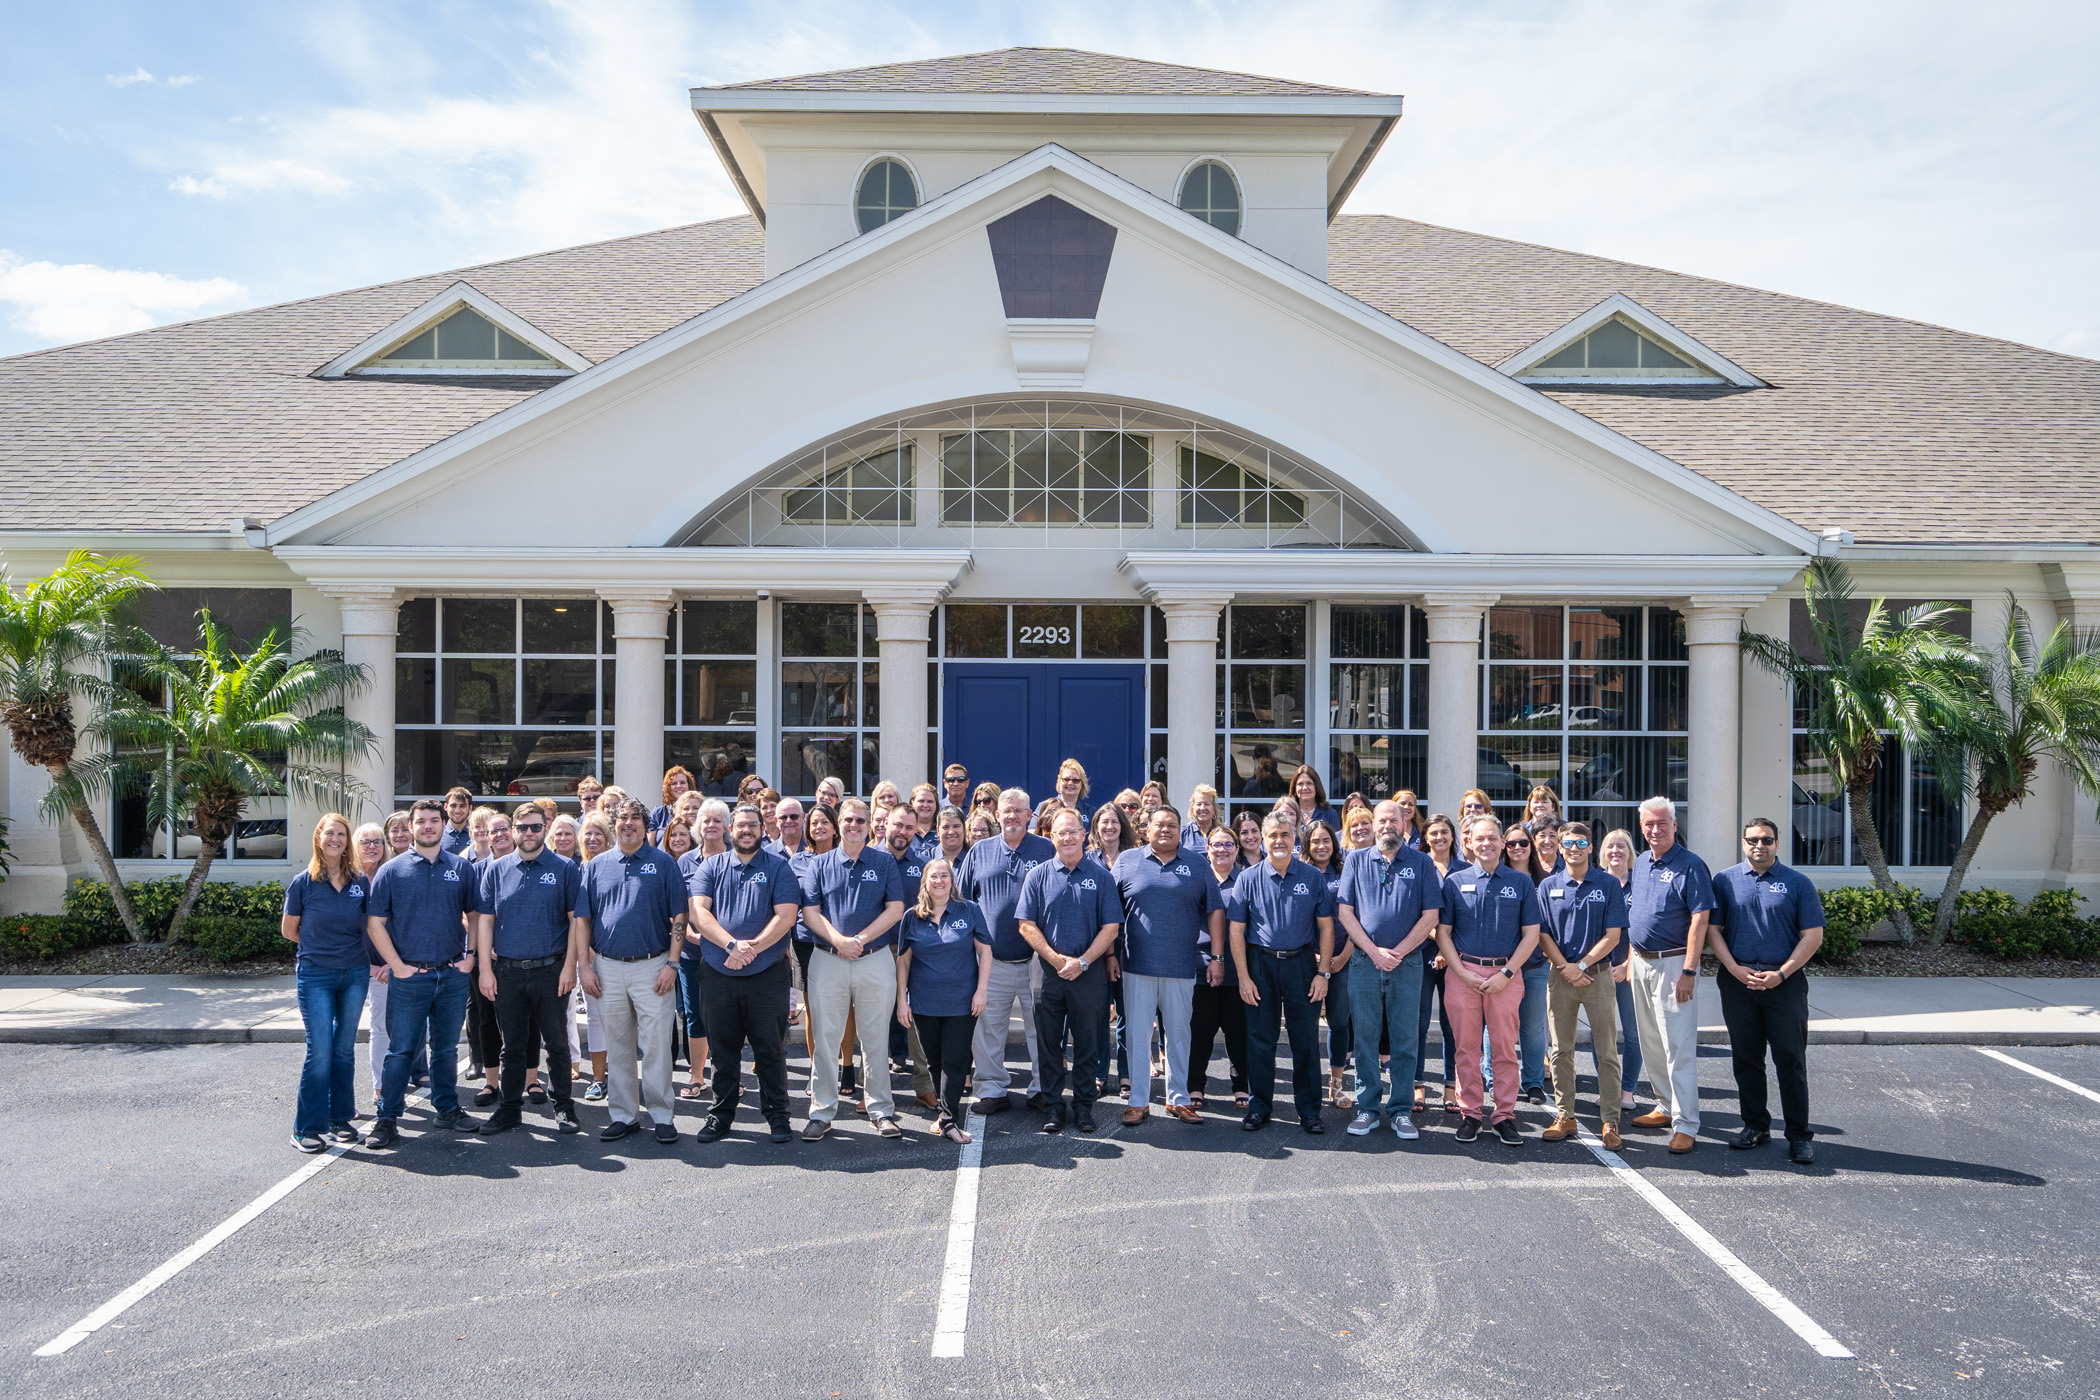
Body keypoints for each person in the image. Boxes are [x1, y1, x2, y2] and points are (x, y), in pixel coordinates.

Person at [363, 799, 483, 1146]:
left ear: (445, 824)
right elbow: (375, 924)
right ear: (410, 827)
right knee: (400, 1050)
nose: (428, 826)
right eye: (421, 821)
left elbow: (474, 915)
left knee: (445, 1049)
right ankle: (387, 1118)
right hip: (409, 976)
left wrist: (470, 957)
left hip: (450, 974)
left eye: (434, 820)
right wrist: (397, 966)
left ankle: (446, 1109)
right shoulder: (393, 870)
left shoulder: (461, 868)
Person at [1710, 819, 1824, 1165]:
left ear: (1777, 844)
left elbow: (1812, 935)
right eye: (1753, 840)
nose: (1759, 845)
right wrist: (1734, 969)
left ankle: (1799, 1136)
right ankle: (1755, 1126)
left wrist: (1782, 973)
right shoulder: (1725, 881)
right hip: (1738, 981)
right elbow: (1713, 930)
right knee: (1746, 1059)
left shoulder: (1798, 883)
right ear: (1743, 843)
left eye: (1767, 840)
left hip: (1783, 985)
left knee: (1790, 1061)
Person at [687, 803, 801, 1145]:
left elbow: (786, 916)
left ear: (762, 829)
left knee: (769, 1050)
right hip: (719, 974)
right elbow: (699, 914)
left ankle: (778, 1117)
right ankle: (720, 1115)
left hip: (767, 974)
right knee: (723, 1051)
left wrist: (752, 949)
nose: (747, 830)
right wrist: (731, 946)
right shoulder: (711, 867)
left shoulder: (779, 868)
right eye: (741, 825)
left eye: (753, 824)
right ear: (729, 830)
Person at [576, 800, 687, 1146]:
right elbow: (583, 920)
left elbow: (680, 918)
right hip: (607, 968)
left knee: (655, 1047)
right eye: (622, 818)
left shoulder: (664, 863)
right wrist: (584, 967)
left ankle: (662, 1115)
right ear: (614, 825)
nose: (628, 824)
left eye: (635, 819)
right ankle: (624, 1114)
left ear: (644, 825)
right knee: (619, 1045)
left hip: (654, 966)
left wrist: (672, 963)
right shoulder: (596, 867)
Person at [473, 801, 585, 1136]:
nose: (529, 833)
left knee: (557, 1043)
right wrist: (484, 970)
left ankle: (564, 1107)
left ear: (545, 829)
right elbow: (485, 922)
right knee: (513, 1046)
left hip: (551, 971)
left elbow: (575, 923)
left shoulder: (565, 869)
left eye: (536, 827)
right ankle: (510, 1109)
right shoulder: (497, 869)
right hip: (506, 972)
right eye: (522, 828)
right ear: (512, 831)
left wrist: (570, 968)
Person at [800, 797, 909, 1140]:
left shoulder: (885, 862)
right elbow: (810, 912)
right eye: (848, 820)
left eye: (861, 821)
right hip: (828, 958)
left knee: (875, 1039)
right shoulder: (820, 864)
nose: (854, 826)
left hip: (874, 959)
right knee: (826, 1038)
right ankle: (821, 1112)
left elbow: (895, 910)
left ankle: (881, 1109)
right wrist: (839, 941)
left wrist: (859, 939)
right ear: (837, 824)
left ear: (869, 825)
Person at [1337, 799, 1443, 1140]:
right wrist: (1373, 951)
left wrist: (1396, 952)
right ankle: (1367, 1108)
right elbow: (1345, 913)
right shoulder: (1356, 860)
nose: (1386, 827)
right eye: (1381, 821)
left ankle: (1400, 1110)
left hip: (1407, 963)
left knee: (1405, 1039)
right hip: (1365, 964)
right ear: (1374, 823)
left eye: (1392, 821)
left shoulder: (1422, 862)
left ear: (1403, 824)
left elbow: (1431, 916)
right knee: (1365, 1038)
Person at [1112, 805, 1224, 1126]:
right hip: (1136, 966)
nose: (1165, 830)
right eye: (1158, 825)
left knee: (1178, 1034)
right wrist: (1109, 956)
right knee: (1137, 1035)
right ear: (1146, 830)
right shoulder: (1127, 861)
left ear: (1180, 830)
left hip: (1181, 967)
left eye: (1172, 825)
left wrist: (1217, 958)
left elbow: (1215, 911)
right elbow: (1109, 910)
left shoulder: (1198, 864)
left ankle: (1179, 1099)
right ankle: (1138, 1102)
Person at [1436, 814, 1542, 1147]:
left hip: (1505, 976)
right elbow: (1443, 933)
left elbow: (1532, 935)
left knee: (1505, 1050)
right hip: (1462, 974)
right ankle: (1471, 1113)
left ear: (1501, 842)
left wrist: (1507, 973)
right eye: (1479, 838)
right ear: (1468, 842)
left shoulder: (1521, 883)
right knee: (1466, 1049)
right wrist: (1462, 972)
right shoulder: (1455, 881)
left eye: (1492, 838)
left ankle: (1504, 1115)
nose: (1486, 844)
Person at [1228, 812, 1336, 1134]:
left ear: (1295, 839)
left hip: (1302, 965)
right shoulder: (1247, 879)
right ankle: (1259, 1108)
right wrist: (1244, 977)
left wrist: (1323, 973)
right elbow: (1236, 931)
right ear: (1262, 838)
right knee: (1261, 1040)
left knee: (1305, 1041)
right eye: (1272, 835)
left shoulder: (1312, 877)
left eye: (1285, 835)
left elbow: (1326, 928)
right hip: (1260, 966)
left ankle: (1309, 1111)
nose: (1279, 841)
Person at [1017, 807, 1122, 1134]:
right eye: (1060, 832)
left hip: (1087, 975)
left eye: (1072, 831)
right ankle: (1053, 1107)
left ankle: (1083, 1107)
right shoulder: (1038, 876)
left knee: (1088, 1043)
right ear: (1052, 837)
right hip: (1047, 974)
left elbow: (1111, 927)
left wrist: (1083, 962)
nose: (1066, 837)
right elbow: (1026, 925)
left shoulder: (1101, 877)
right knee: (1049, 1045)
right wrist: (1055, 958)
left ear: (1083, 834)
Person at [957, 788, 1056, 1115]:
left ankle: (1042, 1088)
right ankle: (992, 1089)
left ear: (1030, 816)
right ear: (997, 815)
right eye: (1006, 811)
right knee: (987, 1029)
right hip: (991, 959)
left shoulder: (1047, 850)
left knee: (1041, 1027)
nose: (1012, 816)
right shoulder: (980, 851)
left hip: (1037, 960)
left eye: (1019, 811)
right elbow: (963, 902)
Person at [1625, 797, 1716, 1154]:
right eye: (1648, 824)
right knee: (1651, 1043)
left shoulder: (1691, 865)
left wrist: (1689, 971)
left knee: (1678, 1047)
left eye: (1662, 823)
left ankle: (1686, 1123)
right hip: (1641, 962)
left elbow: (1701, 920)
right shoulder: (1643, 861)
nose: (1655, 830)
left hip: (1675, 964)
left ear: (1675, 825)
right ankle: (1665, 1106)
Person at [282, 813, 372, 1152]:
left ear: (348, 841)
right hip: (316, 974)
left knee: (343, 1050)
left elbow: (368, 928)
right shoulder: (303, 883)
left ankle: (340, 1118)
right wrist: (322, 949)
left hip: (354, 974)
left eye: (342, 834)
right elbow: (290, 931)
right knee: (319, 1051)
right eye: (329, 833)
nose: (336, 839)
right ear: (319, 838)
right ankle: (305, 1128)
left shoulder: (359, 881)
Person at [1534, 821, 1625, 1148]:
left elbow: (1613, 936)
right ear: (1559, 847)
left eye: (1581, 843)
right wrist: (1565, 967)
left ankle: (1610, 1121)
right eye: (1568, 843)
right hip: (1561, 978)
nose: (1574, 848)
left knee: (1607, 1051)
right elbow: (1542, 934)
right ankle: (1565, 1115)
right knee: (1561, 1050)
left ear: (1590, 847)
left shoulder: (1608, 884)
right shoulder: (1547, 887)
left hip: (1597, 975)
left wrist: (1582, 965)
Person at [895, 857, 993, 1144]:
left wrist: (981, 990)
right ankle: (944, 1113)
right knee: (934, 1061)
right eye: (934, 876)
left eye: (944, 876)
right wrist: (902, 1000)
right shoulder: (912, 917)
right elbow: (903, 962)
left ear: (952, 880)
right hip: (925, 1003)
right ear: (925, 882)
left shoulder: (969, 910)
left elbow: (985, 952)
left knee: (955, 1060)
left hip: (962, 1001)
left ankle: (949, 1121)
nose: (939, 881)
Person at [1191, 826, 1250, 1110]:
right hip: (1202, 967)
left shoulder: (1246, 881)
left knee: (1237, 1032)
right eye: (1216, 844)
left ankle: (1240, 1086)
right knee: (1200, 1032)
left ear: (1237, 850)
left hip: (1239, 970)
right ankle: (1195, 1087)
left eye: (1228, 844)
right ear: (1207, 849)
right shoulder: (1199, 880)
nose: (1222, 849)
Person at [1299, 819, 1352, 1110]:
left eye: (1326, 841)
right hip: (1309, 960)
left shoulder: (1346, 874)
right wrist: (1314, 957)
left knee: (1339, 1022)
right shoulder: (1300, 875)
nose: (1321, 846)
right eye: (1315, 841)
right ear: (1307, 845)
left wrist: (1343, 956)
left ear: (1334, 844)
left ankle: (1336, 1085)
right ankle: (1309, 1086)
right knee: (1306, 1025)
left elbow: (1359, 918)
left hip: (1343, 958)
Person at [1089, 801, 1138, 1096]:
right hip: (1096, 948)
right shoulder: (1087, 860)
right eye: (1103, 822)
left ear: (1123, 826)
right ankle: (1099, 1072)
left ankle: (1126, 1074)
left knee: (1127, 1015)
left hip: (1130, 948)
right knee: (1097, 1015)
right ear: (1096, 827)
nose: (1109, 827)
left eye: (1114, 822)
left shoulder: (1134, 858)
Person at [1499, 823, 1550, 1107]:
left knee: (1531, 1028)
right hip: (1501, 966)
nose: (1517, 848)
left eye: (1523, 843)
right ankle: (1494, 1079)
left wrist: (1546, 953)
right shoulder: (1498, 877)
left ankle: (1533, 1082)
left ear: (1532, 846)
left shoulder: (1545, 882)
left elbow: (1551, 925)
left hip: (1534, 966)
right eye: (1511, 844)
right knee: (1495, 1027)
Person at [1598, 828, 1646, 1115]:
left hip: (1630, 968)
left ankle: (1626, 1091)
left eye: (1622, 846)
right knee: (1601, 1034)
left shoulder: (1639, 886)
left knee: (1632, 1033)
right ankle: (1607, 1089)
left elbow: (1644, 929)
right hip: (1599, 969)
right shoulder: (1596, 883)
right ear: (1602, 853)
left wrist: (1628, 963)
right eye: (1610, 846)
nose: (1615, 851)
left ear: (1630, 853)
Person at [1418, 814, 1461, 1114]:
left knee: (1451, 1026)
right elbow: (1414, 911)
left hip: (1456, 958)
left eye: (1444, 832)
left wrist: (1447, 949)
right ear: (1425, 837)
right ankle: (1417, 1085)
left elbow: (1468, 918)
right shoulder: (1418, 867)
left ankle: (1450, 1085)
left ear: (1452, 836)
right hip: (1420, 953)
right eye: (1434, 833)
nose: (1439, 838)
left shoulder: (1465, 870)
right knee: (1418, 1024)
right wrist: (1438, 942)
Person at [1287, 765, 1340, 833]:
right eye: (1300, 784)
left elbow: (1335, 842)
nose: (1305, 788)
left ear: (1316, 786)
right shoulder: (1289, 813)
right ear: (1295, 788)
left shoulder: (1330, 814)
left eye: (1309, 783)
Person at [651, 766, 697, 832]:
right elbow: (650, 842)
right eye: (674, 783)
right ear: (668, 787)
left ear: (689, 785)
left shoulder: (698, 811)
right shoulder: (658, 814)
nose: (679, 786)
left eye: (682, 782)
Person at [440, 787, 475, 855]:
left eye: (462, 806)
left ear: (470, 808)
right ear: (445, 807)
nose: (457, 811)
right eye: (453, 806)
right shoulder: (437, 833)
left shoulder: (477, 834)